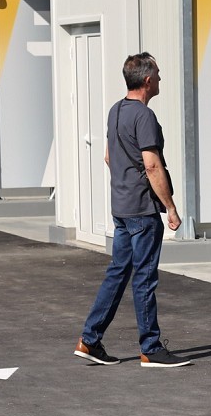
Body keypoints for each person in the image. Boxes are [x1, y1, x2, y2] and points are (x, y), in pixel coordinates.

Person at [74, 52, 191, 368]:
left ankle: (90, 339)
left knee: (118, 273)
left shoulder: (115, 111)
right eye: (159, 74)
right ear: (148, 80)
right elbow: (152, 165)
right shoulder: (144, 116)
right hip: (142, 210)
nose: (161, 79)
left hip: (122, 207)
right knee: (144, 278)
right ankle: (150, 348)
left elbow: (109, 157)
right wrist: (171, 207)